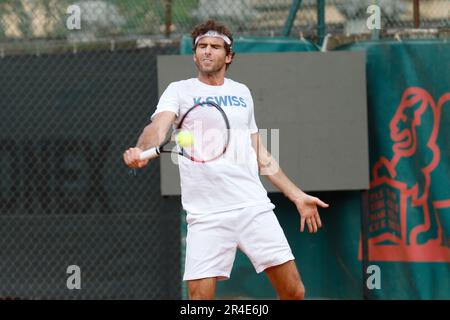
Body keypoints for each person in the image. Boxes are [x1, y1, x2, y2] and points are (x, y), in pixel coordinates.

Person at [123, 20, 329, 300]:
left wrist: (296, 195)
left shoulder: (242, 93)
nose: (207, 51)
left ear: (228, 55)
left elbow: (260, 153)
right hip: (206, 215)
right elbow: (158, 128)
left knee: (294, 292)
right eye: (202, 47)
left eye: (215, 47)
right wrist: (141, 149)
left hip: (253, 207)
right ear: (195, 55)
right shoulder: (179, 91)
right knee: (199, 301)